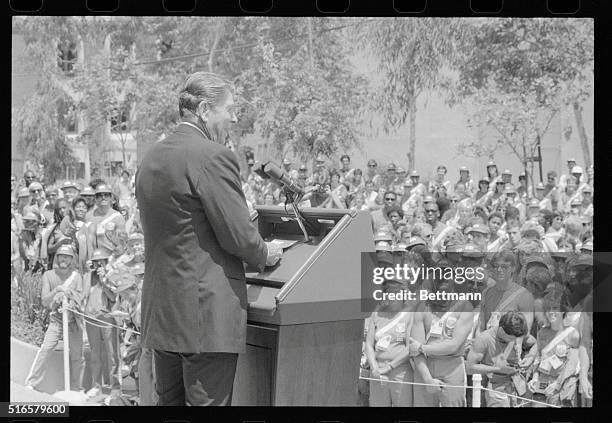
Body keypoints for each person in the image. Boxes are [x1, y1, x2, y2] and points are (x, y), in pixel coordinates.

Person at [135, 72, 282, 406]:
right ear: (203, 109)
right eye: (228, 109)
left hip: (164, 313)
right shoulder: (212, 156)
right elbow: (241, 238)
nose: (232, 117)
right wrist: (267, 252)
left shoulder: (150, 158)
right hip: (204, 317)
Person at [409, 265, 475, 407]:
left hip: (452, 366)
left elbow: (454, 345)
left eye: (447, 276)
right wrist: (427, 379)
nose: (442, 280)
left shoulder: (465, 307)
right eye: (438, 277)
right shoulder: (422, 307)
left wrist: (422, 348)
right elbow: (414, 349)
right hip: (423, 367)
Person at [25, 245, 85, 392]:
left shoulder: (77, 276)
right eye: (61, 256)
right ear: (57, 258)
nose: (64, 259)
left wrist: (69, 298)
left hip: (74, 321)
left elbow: (81, 298)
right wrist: (57, 291)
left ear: (72, 259)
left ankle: (76, 389)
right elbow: (45, 301)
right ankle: (31, 383)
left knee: (78, 356)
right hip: (56, 321)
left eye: (67, 256)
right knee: (45, 349)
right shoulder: (49, 275)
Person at [467, 311, 534, 407]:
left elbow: (534, 344)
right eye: (512, 338)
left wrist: (529, 358)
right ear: (502, 330)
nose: (515, 341)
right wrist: (497, 369)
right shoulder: (484, 339)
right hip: (496, 390)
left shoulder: (517, 334)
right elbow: (469, 368)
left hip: (518, 388)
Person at [365, 277, 414, 406]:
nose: (390, 293)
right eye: (387, 290)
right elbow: (369, 344)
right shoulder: (377, 314)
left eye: (394, 290)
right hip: (377, 370)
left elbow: (410, 348)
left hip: (400, 371)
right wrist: (375, 367)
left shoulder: (411, 314)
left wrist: (389, 367)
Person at [83, 247, 121, 399]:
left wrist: (103, 280)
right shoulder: (88, 276)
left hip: (107, 318)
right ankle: (96, 385)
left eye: (101, 262)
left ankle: (115, 387)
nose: (98, 265)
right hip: (91, 318)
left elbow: (113, 297)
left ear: (106, 262)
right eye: (95, 263)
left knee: (112, 354)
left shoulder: (111, 275)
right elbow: (83, 295)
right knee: (95, 354)